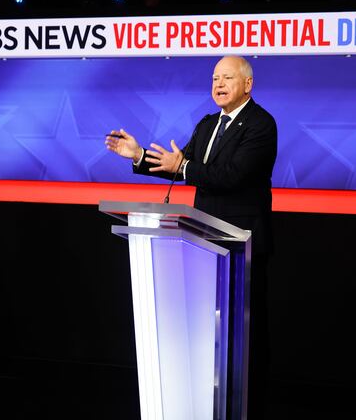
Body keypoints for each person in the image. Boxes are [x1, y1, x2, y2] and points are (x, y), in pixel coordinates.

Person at [106, 55, 277, 418]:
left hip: (240, 245)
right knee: (208, 337)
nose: (218, 84)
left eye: (227, 77)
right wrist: (139, 156)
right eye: (215, 77)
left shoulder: (261, 125)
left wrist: (183, 167)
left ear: (247, 84)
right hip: (204, 243)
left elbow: (232, 175)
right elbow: (179, 164)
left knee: (243, 342)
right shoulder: (207, 124)